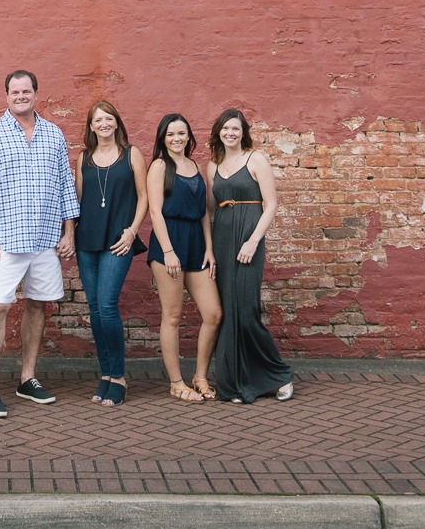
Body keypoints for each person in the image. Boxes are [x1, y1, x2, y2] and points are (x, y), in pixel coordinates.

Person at [0, 69, 79, 419]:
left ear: (36, 93)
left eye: (26, 91)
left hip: (47, 237)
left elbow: (65, 185)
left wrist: (69, 232)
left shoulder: (53, 134)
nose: (21, 96)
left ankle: (27, 378)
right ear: (6, 96)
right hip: (5, 239)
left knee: (37, 304)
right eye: (14, 92)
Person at [208, 107, 294, 404]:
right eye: (225, 128)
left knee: (246, 312)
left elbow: (270, 205)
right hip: (222, 240)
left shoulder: (255, 159)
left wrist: (253, 241)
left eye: (235, 128)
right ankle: (233, 383)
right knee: (227, 313)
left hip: (248, 242)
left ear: (243, 132)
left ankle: (279, 375)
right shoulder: (213, 165)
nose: (230, 133)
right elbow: (210, 211)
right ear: (218, 132)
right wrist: (210, 250)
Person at [74, 100, 148, 406]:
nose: (103, 124)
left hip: (119, 241)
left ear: (116, 122)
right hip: (87, 240)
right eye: (97, 120)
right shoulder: (83, 158)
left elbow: (144, 197)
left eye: (108, 119)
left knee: (106, 306)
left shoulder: (132, 155)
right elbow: (77, 201)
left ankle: (118, 375)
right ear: (91, 126)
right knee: (93, 309)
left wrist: (132, 231)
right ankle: (105, 374)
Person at [146, 112, 221, 403]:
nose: (177, 139)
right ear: (163, 139)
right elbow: (155, 212)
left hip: (196, 244)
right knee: (173, 315)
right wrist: (168, 252)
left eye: (181, 133)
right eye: (171, 135)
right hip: (169, 243)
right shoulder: (159, 166)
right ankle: (176, 382)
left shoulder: (194, 165)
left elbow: (204, 212)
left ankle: (200, 376)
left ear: (189, 136)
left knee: (213, 314)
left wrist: (210, 249)